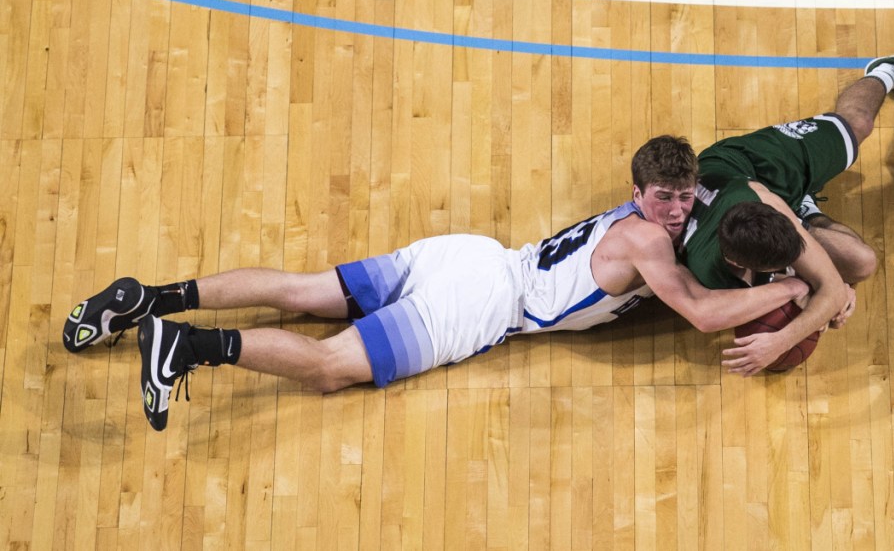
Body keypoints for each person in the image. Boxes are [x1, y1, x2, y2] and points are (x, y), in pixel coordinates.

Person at [63, 136, 809, 431]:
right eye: (665, 199)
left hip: (468, 255)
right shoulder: (650, 242)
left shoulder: (646, 214)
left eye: (685, 199)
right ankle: (186, 346)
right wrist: (791, 293)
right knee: (329, 370)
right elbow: (704, 313)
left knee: (300, 290)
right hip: (485, 301)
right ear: (641, 193)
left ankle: (148, 299)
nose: (676, 211)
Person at [679, 44, 894, 376]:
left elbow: (826, 292)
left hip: (755, 167)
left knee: (857, 123)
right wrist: (834, 289)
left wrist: (782, 340)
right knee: (862, 262)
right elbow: (824, 291)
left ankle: (889, 71)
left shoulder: (764, 206)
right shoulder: (707, 271)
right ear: (736, 261)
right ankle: (808, 209)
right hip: (750, 205)